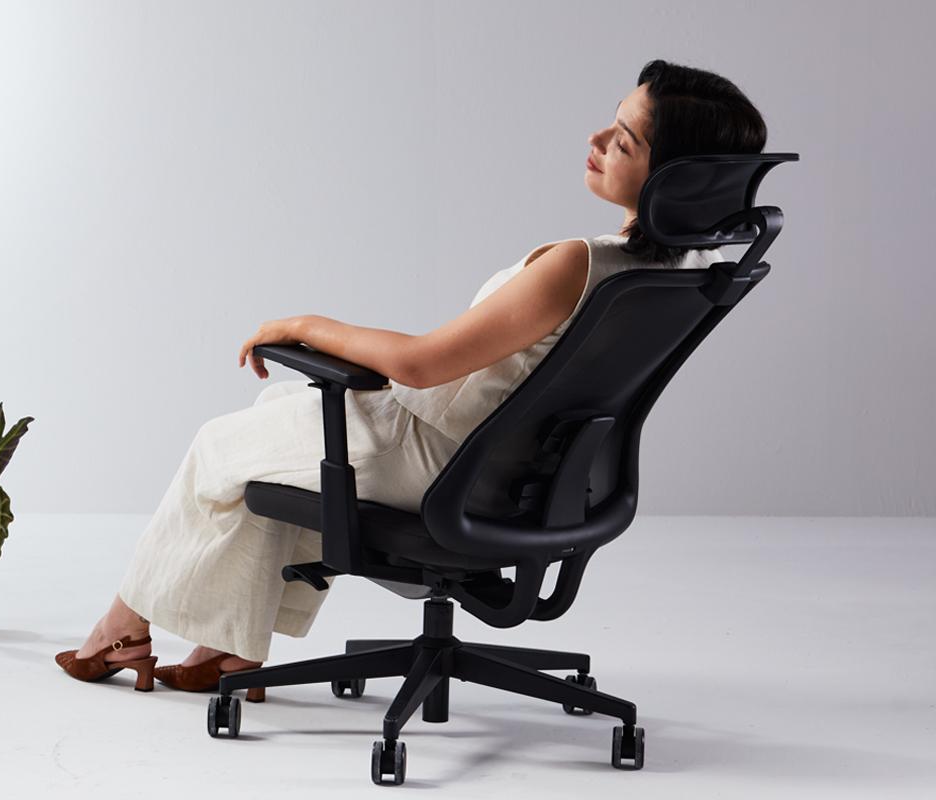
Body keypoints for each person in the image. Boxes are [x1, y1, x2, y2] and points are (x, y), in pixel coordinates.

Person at [55, 58, 768, 693]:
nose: (595, 141)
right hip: (520, 475)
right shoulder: (676, 275)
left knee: (222, 444)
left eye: (623, 140)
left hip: (434, 463)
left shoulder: (578, 264)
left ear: (677, 175)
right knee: (278, 433)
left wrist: (304, 324)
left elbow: (423, 363)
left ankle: (120, 632)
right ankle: (227, 652)